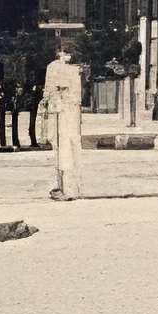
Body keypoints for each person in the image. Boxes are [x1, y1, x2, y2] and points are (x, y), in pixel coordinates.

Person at [42, 32, 88, 201]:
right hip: (71, 111)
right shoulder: (79, 68)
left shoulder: (55, 67)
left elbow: (51, 91)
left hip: (62, 111)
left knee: (64, 149)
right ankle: (69, 187)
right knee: (69, 148)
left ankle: (67, 189)